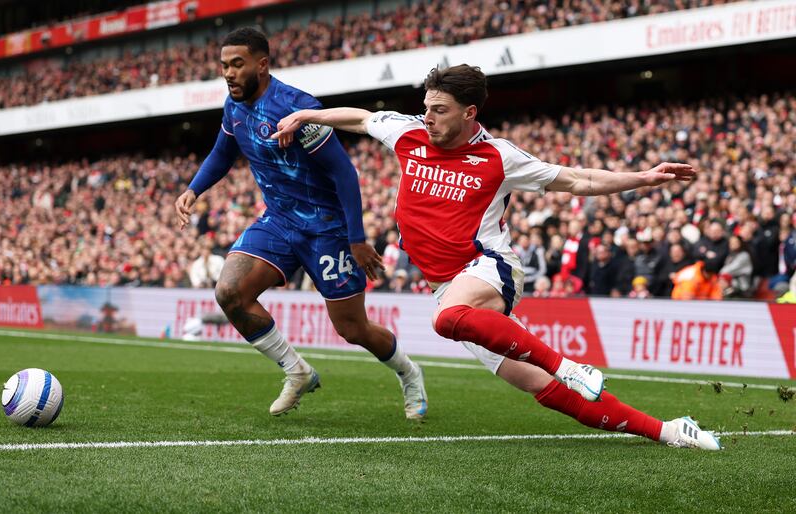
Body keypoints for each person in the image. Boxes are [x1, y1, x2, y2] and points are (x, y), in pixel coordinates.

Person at [273, 64, 719, 449]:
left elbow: (579, 180)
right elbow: (362, 118)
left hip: (488, 268)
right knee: (542, 388)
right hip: (447, 287)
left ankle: (568, 365)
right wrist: (307, 114)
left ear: (470, 113)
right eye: (426, 107)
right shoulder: (408, 131)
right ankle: (668, 431)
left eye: (439, 110)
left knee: (446, 320)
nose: (427, 118)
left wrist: (642, 177)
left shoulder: (498, 156)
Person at [174, 28, 427, 419]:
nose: (228, 73)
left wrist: (356, 240)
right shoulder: (233, 107)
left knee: (352, 329)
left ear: (262, 63)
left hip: (328, 230)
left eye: (237, 64)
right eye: (224, 65)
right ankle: (297, 371)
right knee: (229, 292)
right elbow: (223, 153)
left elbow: (345, 174)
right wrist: (194, 189)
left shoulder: (298, 109)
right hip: (278, 222)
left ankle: (409, 373)